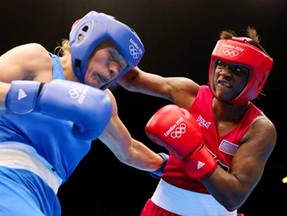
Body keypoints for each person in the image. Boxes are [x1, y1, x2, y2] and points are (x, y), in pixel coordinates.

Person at [0, 10, 165, 216]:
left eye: (122, 66)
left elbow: (129, 149)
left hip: (45, 197)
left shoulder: (102, 103)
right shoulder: (38, 60)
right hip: (5, 174)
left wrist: (168, 167)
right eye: (112, 56)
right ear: (84, 38)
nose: (114, 69)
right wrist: (40, 96)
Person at [118, 26, 277, 215]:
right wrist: (108, 46)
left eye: (237, 69)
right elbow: (132, 79)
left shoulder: (259, 128)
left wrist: (194, 153)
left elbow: (234, 197)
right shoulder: (189, 93)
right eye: (221, 64)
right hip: (161, 209)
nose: (224, 73)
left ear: (256, 78)